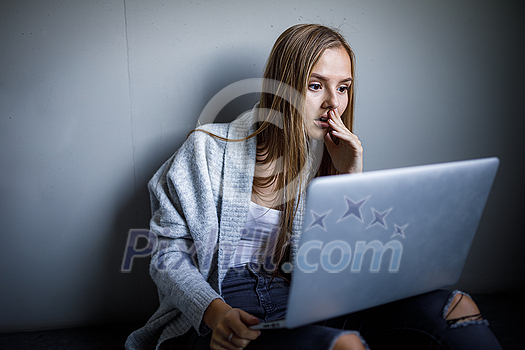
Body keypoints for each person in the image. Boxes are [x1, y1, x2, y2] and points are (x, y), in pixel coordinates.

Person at [125, 24, 502, 350]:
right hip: (225, 316)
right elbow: (165, 254)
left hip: (300, 308)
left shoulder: (326, 161)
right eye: (316, 85)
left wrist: (348, 178)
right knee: (343, 345)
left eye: (343, 88)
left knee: (455, 306)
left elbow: (347, 269)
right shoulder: (208, 148)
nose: (332, 105)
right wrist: (214, 313)